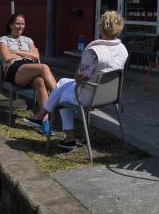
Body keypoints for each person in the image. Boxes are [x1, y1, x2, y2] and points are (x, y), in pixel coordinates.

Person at [22, 10, 128, 151]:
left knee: (61, 93)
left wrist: (78, 71)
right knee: (63, 82)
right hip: (109, 95)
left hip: (88, 97)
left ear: (101, 27)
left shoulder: (94, 51)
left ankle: (62, 132)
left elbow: (80, 78)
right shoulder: (123, 49)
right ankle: (44, 118)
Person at [0, 13, 57, 110]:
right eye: (18, 24)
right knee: (43, 67)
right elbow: (6, 57)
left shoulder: (28, 40)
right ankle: (58, 98)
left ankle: (44, 119)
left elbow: (36, 56)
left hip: (30, 69)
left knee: (39, 81)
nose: (21, 27)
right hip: (13, 70)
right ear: (10, 25)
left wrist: (16, 52)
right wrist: (28, 53)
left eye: (23, 24)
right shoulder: (4, 39)